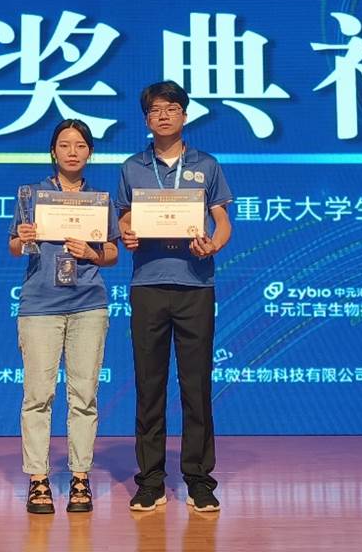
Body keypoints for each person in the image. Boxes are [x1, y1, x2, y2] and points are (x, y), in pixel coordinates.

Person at [115, 81, 232, 513]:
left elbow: (222, 221)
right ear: (146, 119)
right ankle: (150, 481)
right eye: (155, 110)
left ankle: (199, 480)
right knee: (149, 385)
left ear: (184, 115)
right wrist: (126, 233)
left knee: (196, 386)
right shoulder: (133, 167)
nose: (163, 115)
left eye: (171, 108)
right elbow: (125, 218)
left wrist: (214, 244)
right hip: (148, 284)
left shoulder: (207, 165)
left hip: (195, 285)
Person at [8, 119, 119, 514]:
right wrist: (23, 238)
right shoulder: (32, 195)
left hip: (88, 304)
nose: (73, 152)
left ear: (90, 152)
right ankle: (38, 479)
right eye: (65, 144)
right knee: (38, 396)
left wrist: (91, 253)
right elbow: (14, 247)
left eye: (80, 145)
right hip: (40, 306)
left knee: (84, 396)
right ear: (53, 151)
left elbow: (112, 253)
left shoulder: (98, 201)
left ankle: (80, 477)